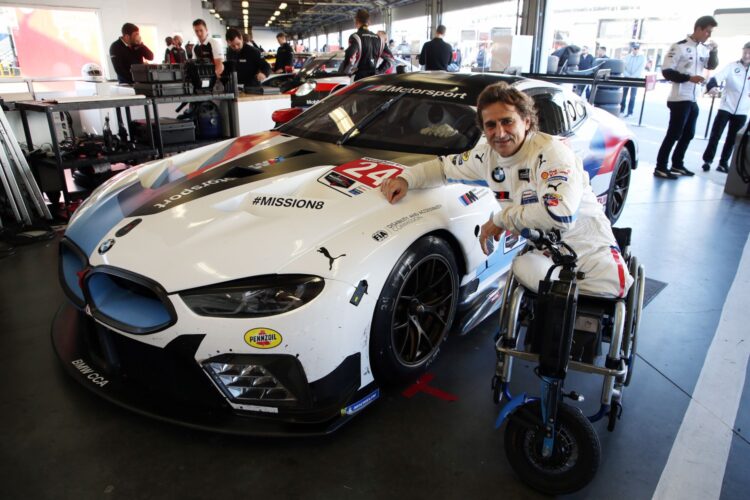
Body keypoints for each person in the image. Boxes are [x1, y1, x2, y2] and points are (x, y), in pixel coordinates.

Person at [380, 82, 632, 298]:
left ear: (526, 121)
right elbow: (443, 168)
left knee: (585, 295)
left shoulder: (552, 154)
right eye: (490, 125)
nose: (499, 133)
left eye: (507, 121)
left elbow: (560, 215)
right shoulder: (487, 157)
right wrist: (406, 178)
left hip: (591, 254)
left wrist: (500, 220)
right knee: (528, 275)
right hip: (545, 254)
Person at [655, 15, 719, 179]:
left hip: (693, 98)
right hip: (679, 98)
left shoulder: (704, 48)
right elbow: (667, 71)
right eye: (707, 32)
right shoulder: (679, 47)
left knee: (689, 133)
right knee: (674, 133)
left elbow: (711, 65)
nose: (708, 35)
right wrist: (688, 78)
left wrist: (715, 51)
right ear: (698, 29)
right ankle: (661, 166)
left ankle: (677, 163)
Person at [702, 42, 750, 173]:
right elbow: (715, 78)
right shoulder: (732, 66)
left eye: (749, 52)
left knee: (732, 139)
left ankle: (723, 163)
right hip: (726, 107)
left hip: (742, 111)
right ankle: (707, 160)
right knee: (715, 135)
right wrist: (711, 87)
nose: (746, 55)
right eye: (745, 51)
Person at [339, 9, 393, 81]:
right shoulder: (379, 39)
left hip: (359, 78)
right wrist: (379, 71)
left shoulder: (355, 37)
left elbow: (350, 56)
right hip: (374, 78)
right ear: (369, 22)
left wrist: (346, 72)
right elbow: (390, 59)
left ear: (356, 21)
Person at [621, 43, 646, 117]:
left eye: (637, 48)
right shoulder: (627, 57)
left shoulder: (642, 58)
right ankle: (622, 109)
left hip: (636, 79)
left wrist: (633, 76)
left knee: (632, 96)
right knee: (624, 95)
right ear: (632, 48)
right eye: (634, 48)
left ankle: (630, 112)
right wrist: (628, 75)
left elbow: (640, 69)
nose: (636, 50)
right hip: (627, 78)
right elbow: (623, 67)